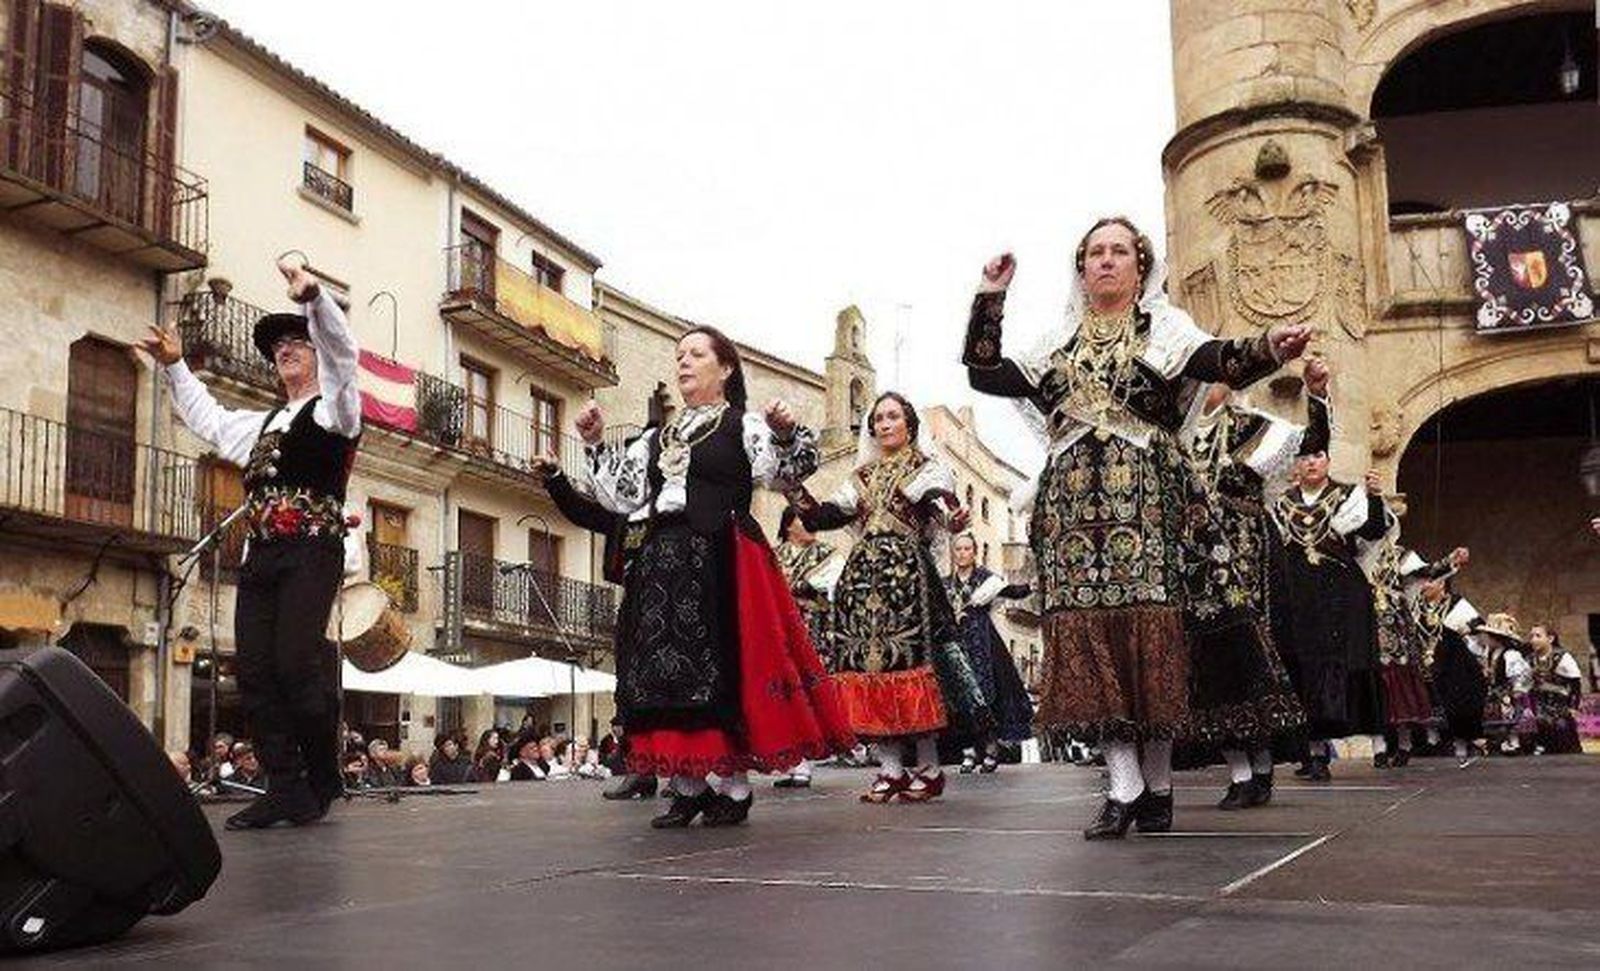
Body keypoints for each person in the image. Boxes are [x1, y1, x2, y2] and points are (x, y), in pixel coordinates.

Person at [962, 217, 1309, 838]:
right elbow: (985, 372)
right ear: (1081, 268)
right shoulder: (1056, 343)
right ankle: (1124, 785)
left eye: (1119, 251)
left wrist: (1270, 347)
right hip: (1072, 510)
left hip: (1150, 500)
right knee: (1090, 636)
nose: (1106, 260)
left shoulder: (1166, 331)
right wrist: (992, 295)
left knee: (1151, 635)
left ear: (1140, 266)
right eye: (1095, 252)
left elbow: (1220, 358)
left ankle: (1158, 784)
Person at [578, 326, 855, 828]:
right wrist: (595, 441)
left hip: (721, 554)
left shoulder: (743, 425)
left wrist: (786, 432)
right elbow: (622, 497)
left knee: (726, 664)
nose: (683, 362)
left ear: (725, 368)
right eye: (679, 354)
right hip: (663, 560)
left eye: (696, 354)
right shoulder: (657, 437)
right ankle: (687, 786)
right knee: (665, 671)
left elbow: (783, 475)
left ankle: (733, 786)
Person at [138, 257, 359, 830]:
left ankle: (322, 775)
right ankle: (285, 788)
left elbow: (344, 358)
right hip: (260, 554)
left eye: (296, 342)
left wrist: (314, 300)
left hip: (312, 549)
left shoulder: (337, 411)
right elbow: (208, 420)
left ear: (317, 351)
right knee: (254, 672)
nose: (284, 349)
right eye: (278, 346)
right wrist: (175, 365)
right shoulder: (263, 424)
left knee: (295, 664)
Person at [796, 392, 986, 804]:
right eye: (878, 419)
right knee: (871, 667)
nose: (884, 424)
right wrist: (792, 486)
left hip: (909, 580)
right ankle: (890, 768)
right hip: (864, 583)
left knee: (914, 664)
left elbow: (942, 507)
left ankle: (929, 766)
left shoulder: (926, 469)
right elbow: (823, 516)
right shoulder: (861, 478)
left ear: (909, 425)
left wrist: (955, 519)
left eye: (892, 416)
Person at [1177, 362, 1328, 809]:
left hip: (1249, 558)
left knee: (1254, 656)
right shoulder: (1175, 437)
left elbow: (1310, 442)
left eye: (1212, 378)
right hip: (1193, 564)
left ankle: (1261, 766)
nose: (1205, 387)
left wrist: (1317, 395)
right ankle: (1240, 772)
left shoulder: (1253, 427)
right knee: (1208, 663)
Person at [1268, 448, 1391, 783]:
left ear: (1328, 461)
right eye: (1304, 457)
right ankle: (1315, 753)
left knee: (1347, 665)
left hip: (1341, 594)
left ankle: (1375, 742)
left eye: (1318, 455)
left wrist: (1375, 497)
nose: (1311, 462)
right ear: (1297, 464)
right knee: (1304, 667)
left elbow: (1372, 531)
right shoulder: (1282, 503)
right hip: (1299, 596)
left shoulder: (1348, 495)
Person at [1366, 536, 1467, 768]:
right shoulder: (1356, 552)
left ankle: (1404, 744)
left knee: (1399, 691)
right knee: (1372, 690)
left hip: (1396, 629)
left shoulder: (1401, 555)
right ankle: (1378, 749)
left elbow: (1427, 572)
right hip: (1366, 627)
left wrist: (1451, 560)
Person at [945, 532, 1034, 774]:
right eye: (958, 549)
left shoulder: (986, 579)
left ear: (974, 553)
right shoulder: (946, 583)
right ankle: (968, 751)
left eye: (967, 549)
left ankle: (991, 749)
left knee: (988, 695)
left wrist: (1033, 585)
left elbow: (1012, 591)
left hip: (983, 642)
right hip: (957, 645)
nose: (962, 553)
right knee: (960, 698)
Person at [772, 504, 847, 788]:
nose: (811, 525)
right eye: (804, 520)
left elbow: (835, 588)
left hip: (814, 631)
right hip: (780, 632)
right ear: (789, 525)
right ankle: (794, 761)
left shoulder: (826, 554)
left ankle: (810, 758)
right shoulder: (774, 555)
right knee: (785, 694)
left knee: (810, 691)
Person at [1417, 584, 1487, 768]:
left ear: (1441, 584)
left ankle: (1469, 743)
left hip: (1455, 660)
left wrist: (1464, 629)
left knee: (1460, 699)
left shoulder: (1455, 602)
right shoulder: (1418, 606)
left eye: (1430, 581)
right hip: (1428, 660)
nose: (1424, 585)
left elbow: (1478, 623)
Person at [1478, 613, 1535, 755]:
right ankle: (1498, 742)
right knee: (1494, 716)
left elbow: (1519, 675)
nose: (1484, 638)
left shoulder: (1510, 654)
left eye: (1487, 635)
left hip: (1507, 692)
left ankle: (1514, 742)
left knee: (1510, 716)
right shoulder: (1490, 652)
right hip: (1494, 691)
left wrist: (1517, 690)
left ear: (1495, 637)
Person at [1528, 623, 1583, 754]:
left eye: (1538, 636)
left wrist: (1573, 707)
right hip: (1540, 712)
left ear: (1550, 638)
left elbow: (1575, 684)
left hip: (1560, 712)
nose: (1533, 640)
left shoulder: (1562, 657)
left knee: (1566, 747)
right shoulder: (1530, 659)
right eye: (1531, 636)